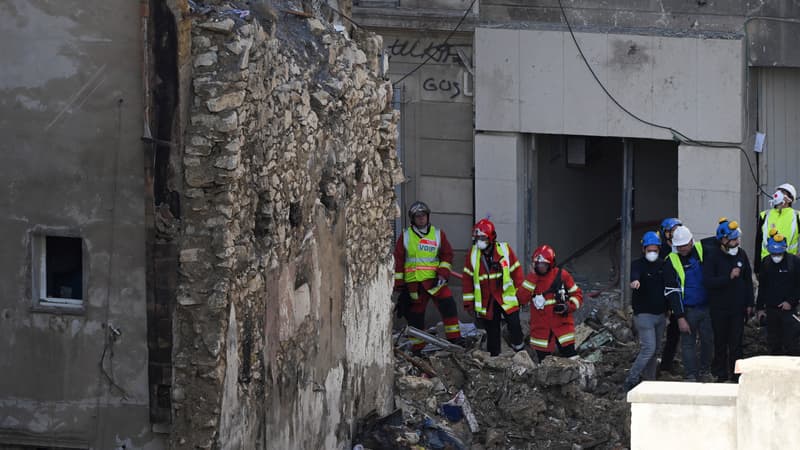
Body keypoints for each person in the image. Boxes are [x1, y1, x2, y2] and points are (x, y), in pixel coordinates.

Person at [393, 201, 462, 352]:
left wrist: (443, 273)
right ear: (413, 219)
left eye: (423, 215)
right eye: (418, 216)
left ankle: (455, 339)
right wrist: (399, 284)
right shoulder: (405, 236)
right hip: (414, 284)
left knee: (449, 306)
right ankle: (418, 348)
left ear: (428, 216)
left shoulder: (438, 234)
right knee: (414, 316)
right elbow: (398, 260)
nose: (421, 219)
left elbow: (447, 255)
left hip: (435, 282)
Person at [462, 218, 526, 356]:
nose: (479, 240)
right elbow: (467, 279)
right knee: (492, 331)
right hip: (488, 301)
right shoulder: (472, 255)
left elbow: (517, 272)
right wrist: (469, 303)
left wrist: (521, 296)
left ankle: (520, 352)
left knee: (514, 326)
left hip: (506, 298)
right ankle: (494, 359)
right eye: (477, 237)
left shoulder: (505, 250)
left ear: (491, 237)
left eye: (482, 238)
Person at [703, 219, 754, 382]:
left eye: (737, 239)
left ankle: (736, 374)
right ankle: (720, 373)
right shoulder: (712, 256)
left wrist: (750, 303)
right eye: (733, 239)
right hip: (719, 309)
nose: (736, 242)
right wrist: (728, 277)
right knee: (720, 342)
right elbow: (708, 282)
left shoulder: (742, 254)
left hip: (738, 308)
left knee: (736, 343)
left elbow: (747, 281)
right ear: (723, 240)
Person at [664, 225, 713, 382]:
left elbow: (719, 241)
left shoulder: (701, 249)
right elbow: (673, 291)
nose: (682, 249)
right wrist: (680, 317)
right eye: (679, 247)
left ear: (691, 241)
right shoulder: (671, 261)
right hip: (687, 310)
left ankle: (705, 371)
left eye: (685, 245)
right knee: (688, 343)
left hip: (706, 306)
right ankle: (690, 374)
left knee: (708, 340)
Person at [517, 245, 583, 361]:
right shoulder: (532, 280)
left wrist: (568, 306)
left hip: (562, 328)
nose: (540, 267)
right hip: (541, 332)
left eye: (543, 264)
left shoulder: (562, 275)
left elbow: (577, 295)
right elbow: (521, 298)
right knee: (545, 366)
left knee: (572, 359)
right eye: (537, 264)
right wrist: (532, 277)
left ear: (551, 264)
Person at [624, 231, 668, 391]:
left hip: (660, 315)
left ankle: (650, 381)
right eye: (649, 250)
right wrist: (635, 281)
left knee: (655, 350)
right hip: (644, 315)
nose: (652, 253)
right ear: (644, 249)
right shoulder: (638, 265)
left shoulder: (663, 265)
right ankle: (632, 378)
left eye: (655, 250)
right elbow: (635, 275)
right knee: (649, 347)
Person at [755, 230, 800, 356]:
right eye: (773, 253)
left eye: (779, 253)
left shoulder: (793, 262)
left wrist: (790, 302)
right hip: (771, 311)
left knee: (792, 345)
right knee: (774, 345)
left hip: (788, 311)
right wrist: (759, 308)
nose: (776, 256)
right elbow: (762, 287)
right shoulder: (766, 263)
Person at [754, 183, 800, 275]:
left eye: (783, 192)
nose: (778, 194)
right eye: (778, 191)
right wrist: (757, 268)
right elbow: (758, 242)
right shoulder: (765, 215)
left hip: (789, 265)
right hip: (767, 264)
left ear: (789, 198)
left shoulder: (797, 216)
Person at [658, 217, 682, 374]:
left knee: (674, 335)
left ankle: (667, 363)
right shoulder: (660, 253)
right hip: (661, 299)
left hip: (675, 298)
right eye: (671, 231)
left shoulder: (681, 249)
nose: (674, 235)